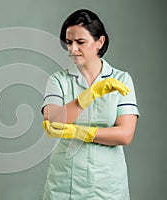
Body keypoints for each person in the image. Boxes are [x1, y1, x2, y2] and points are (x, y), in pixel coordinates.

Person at [41, 9, 139, 199]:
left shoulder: (121, 80)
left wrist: (80, 132)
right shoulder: (58, 80)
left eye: (80, 42)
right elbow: (53, 120)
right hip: (65, 181)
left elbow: (125, 134)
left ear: (99, 42)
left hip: (108, 183)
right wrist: (88, 95)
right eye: (69, 42)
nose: (72, 49)